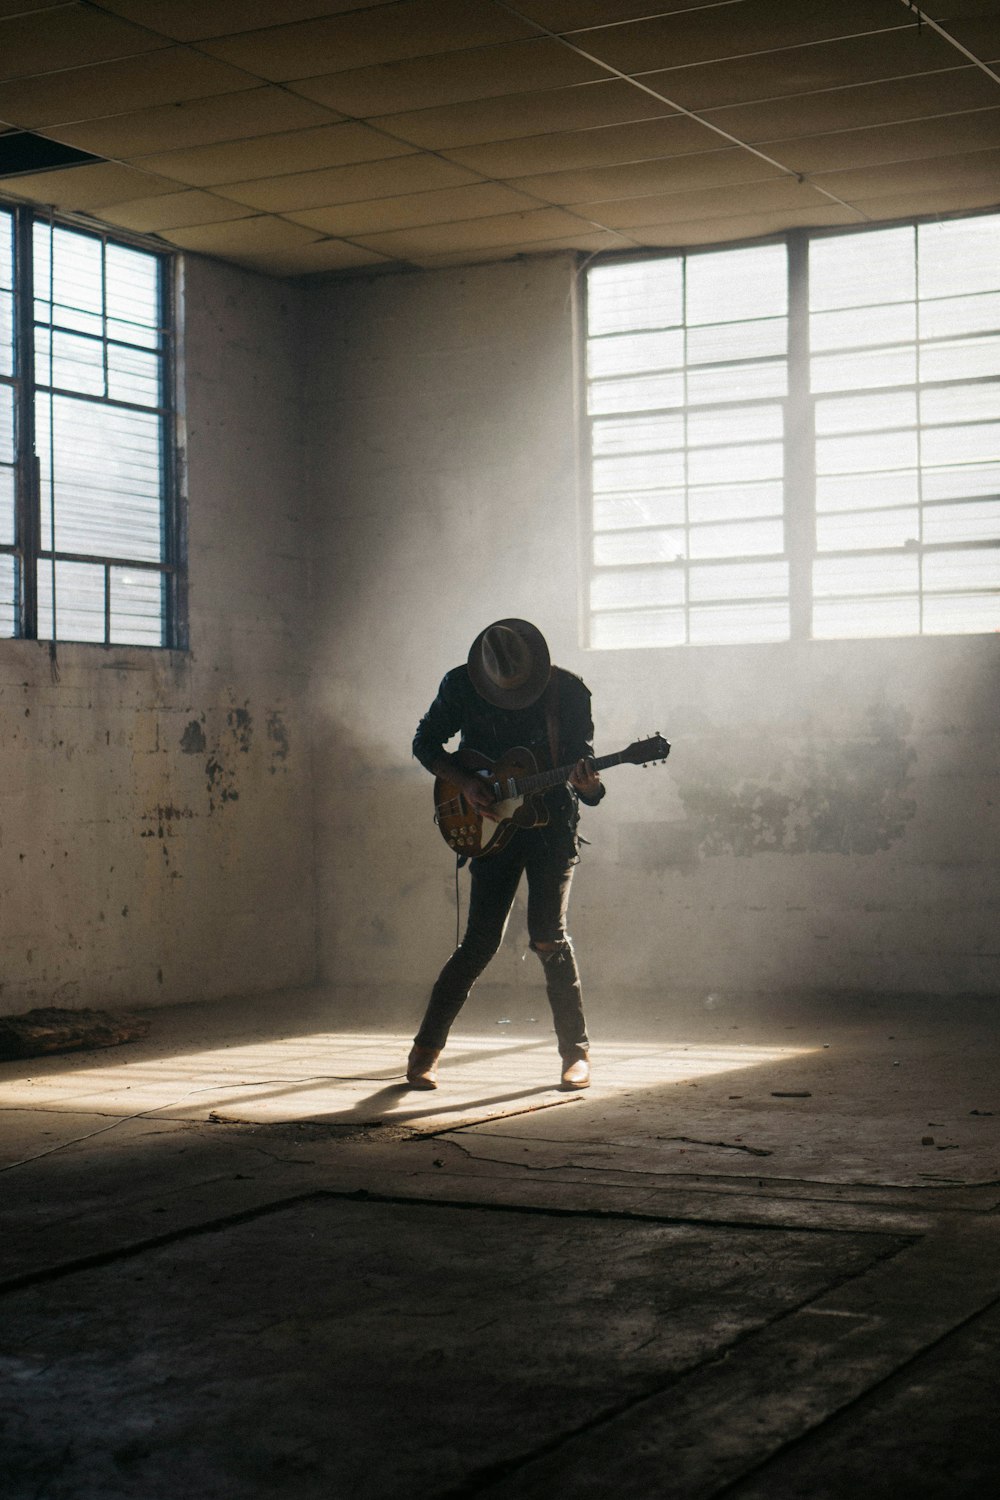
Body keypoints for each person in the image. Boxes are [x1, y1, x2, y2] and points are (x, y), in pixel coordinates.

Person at [408, 618, 605, 1092]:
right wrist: (466, 784)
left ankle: (575, 1055)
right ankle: (424, 1052)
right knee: (479, 942)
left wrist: (590, 786)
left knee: (548, 936)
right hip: (488, 826)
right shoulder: (461, 684)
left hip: (552, 826)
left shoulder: (569, 693)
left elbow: (587, 780)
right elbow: (425, 743)